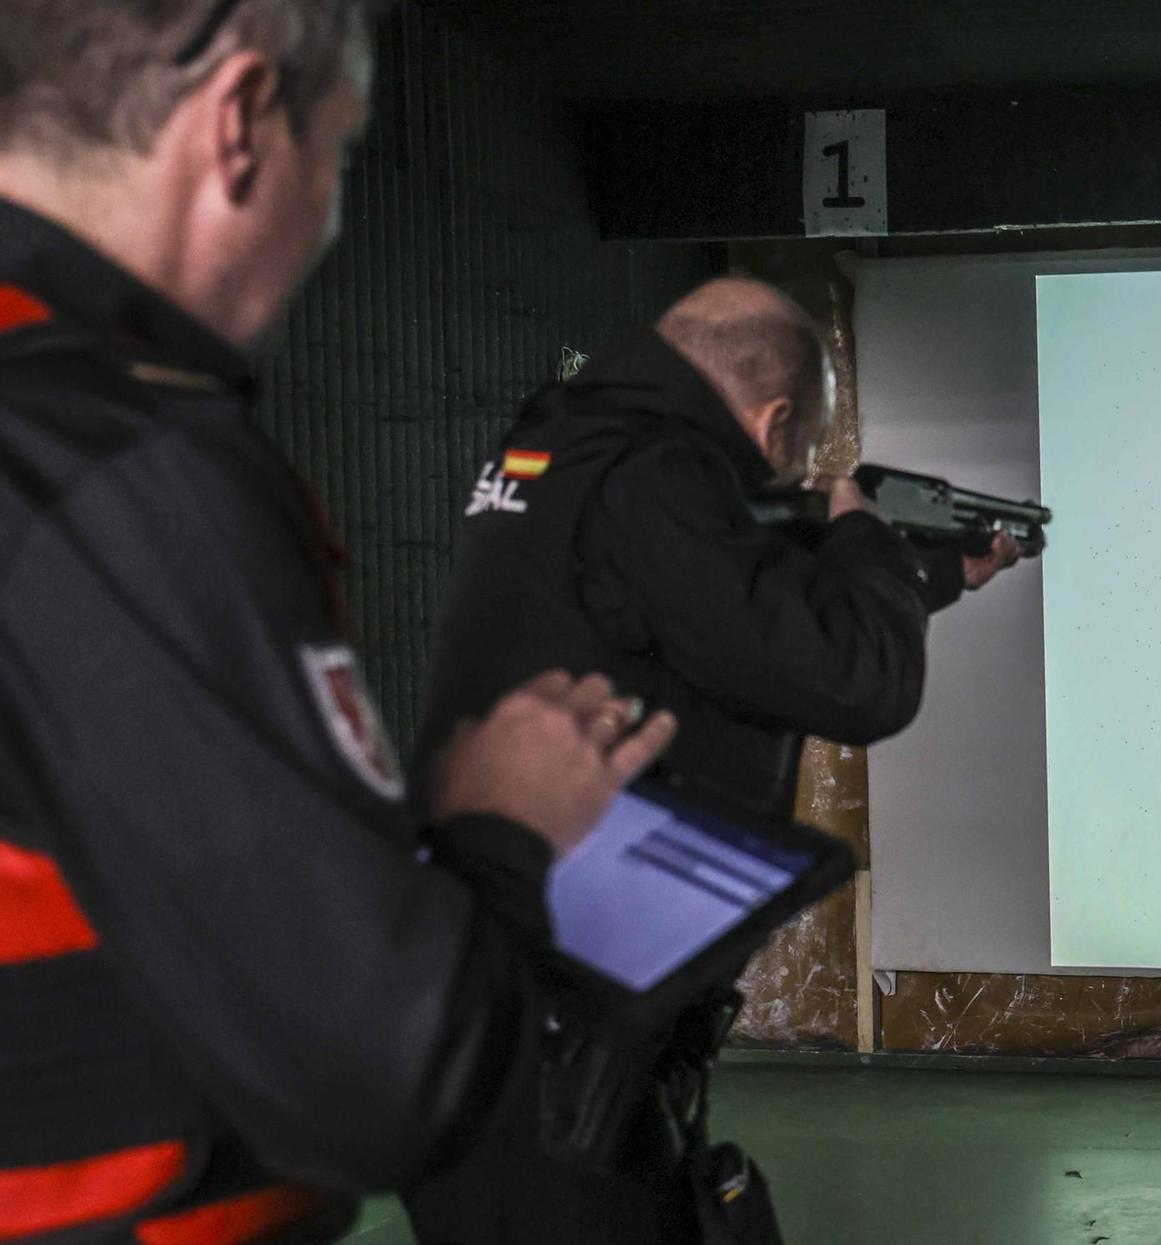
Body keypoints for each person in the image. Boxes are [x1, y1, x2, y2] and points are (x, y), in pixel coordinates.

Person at [0, 3, 677, 1241]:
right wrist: (499, 829)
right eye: (344, 155)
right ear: (241, 123)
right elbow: (381, 1074)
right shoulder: (114, 460)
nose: (330, 214)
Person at [401, 275, 1023, 1243]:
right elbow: (856, 685)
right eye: (799, 458)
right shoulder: (657, 475)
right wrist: (862, 531)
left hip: (514, 976)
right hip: (560, 1009)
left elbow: (740, 630)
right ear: (776, 422)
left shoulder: (573, 446)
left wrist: (924, 572)